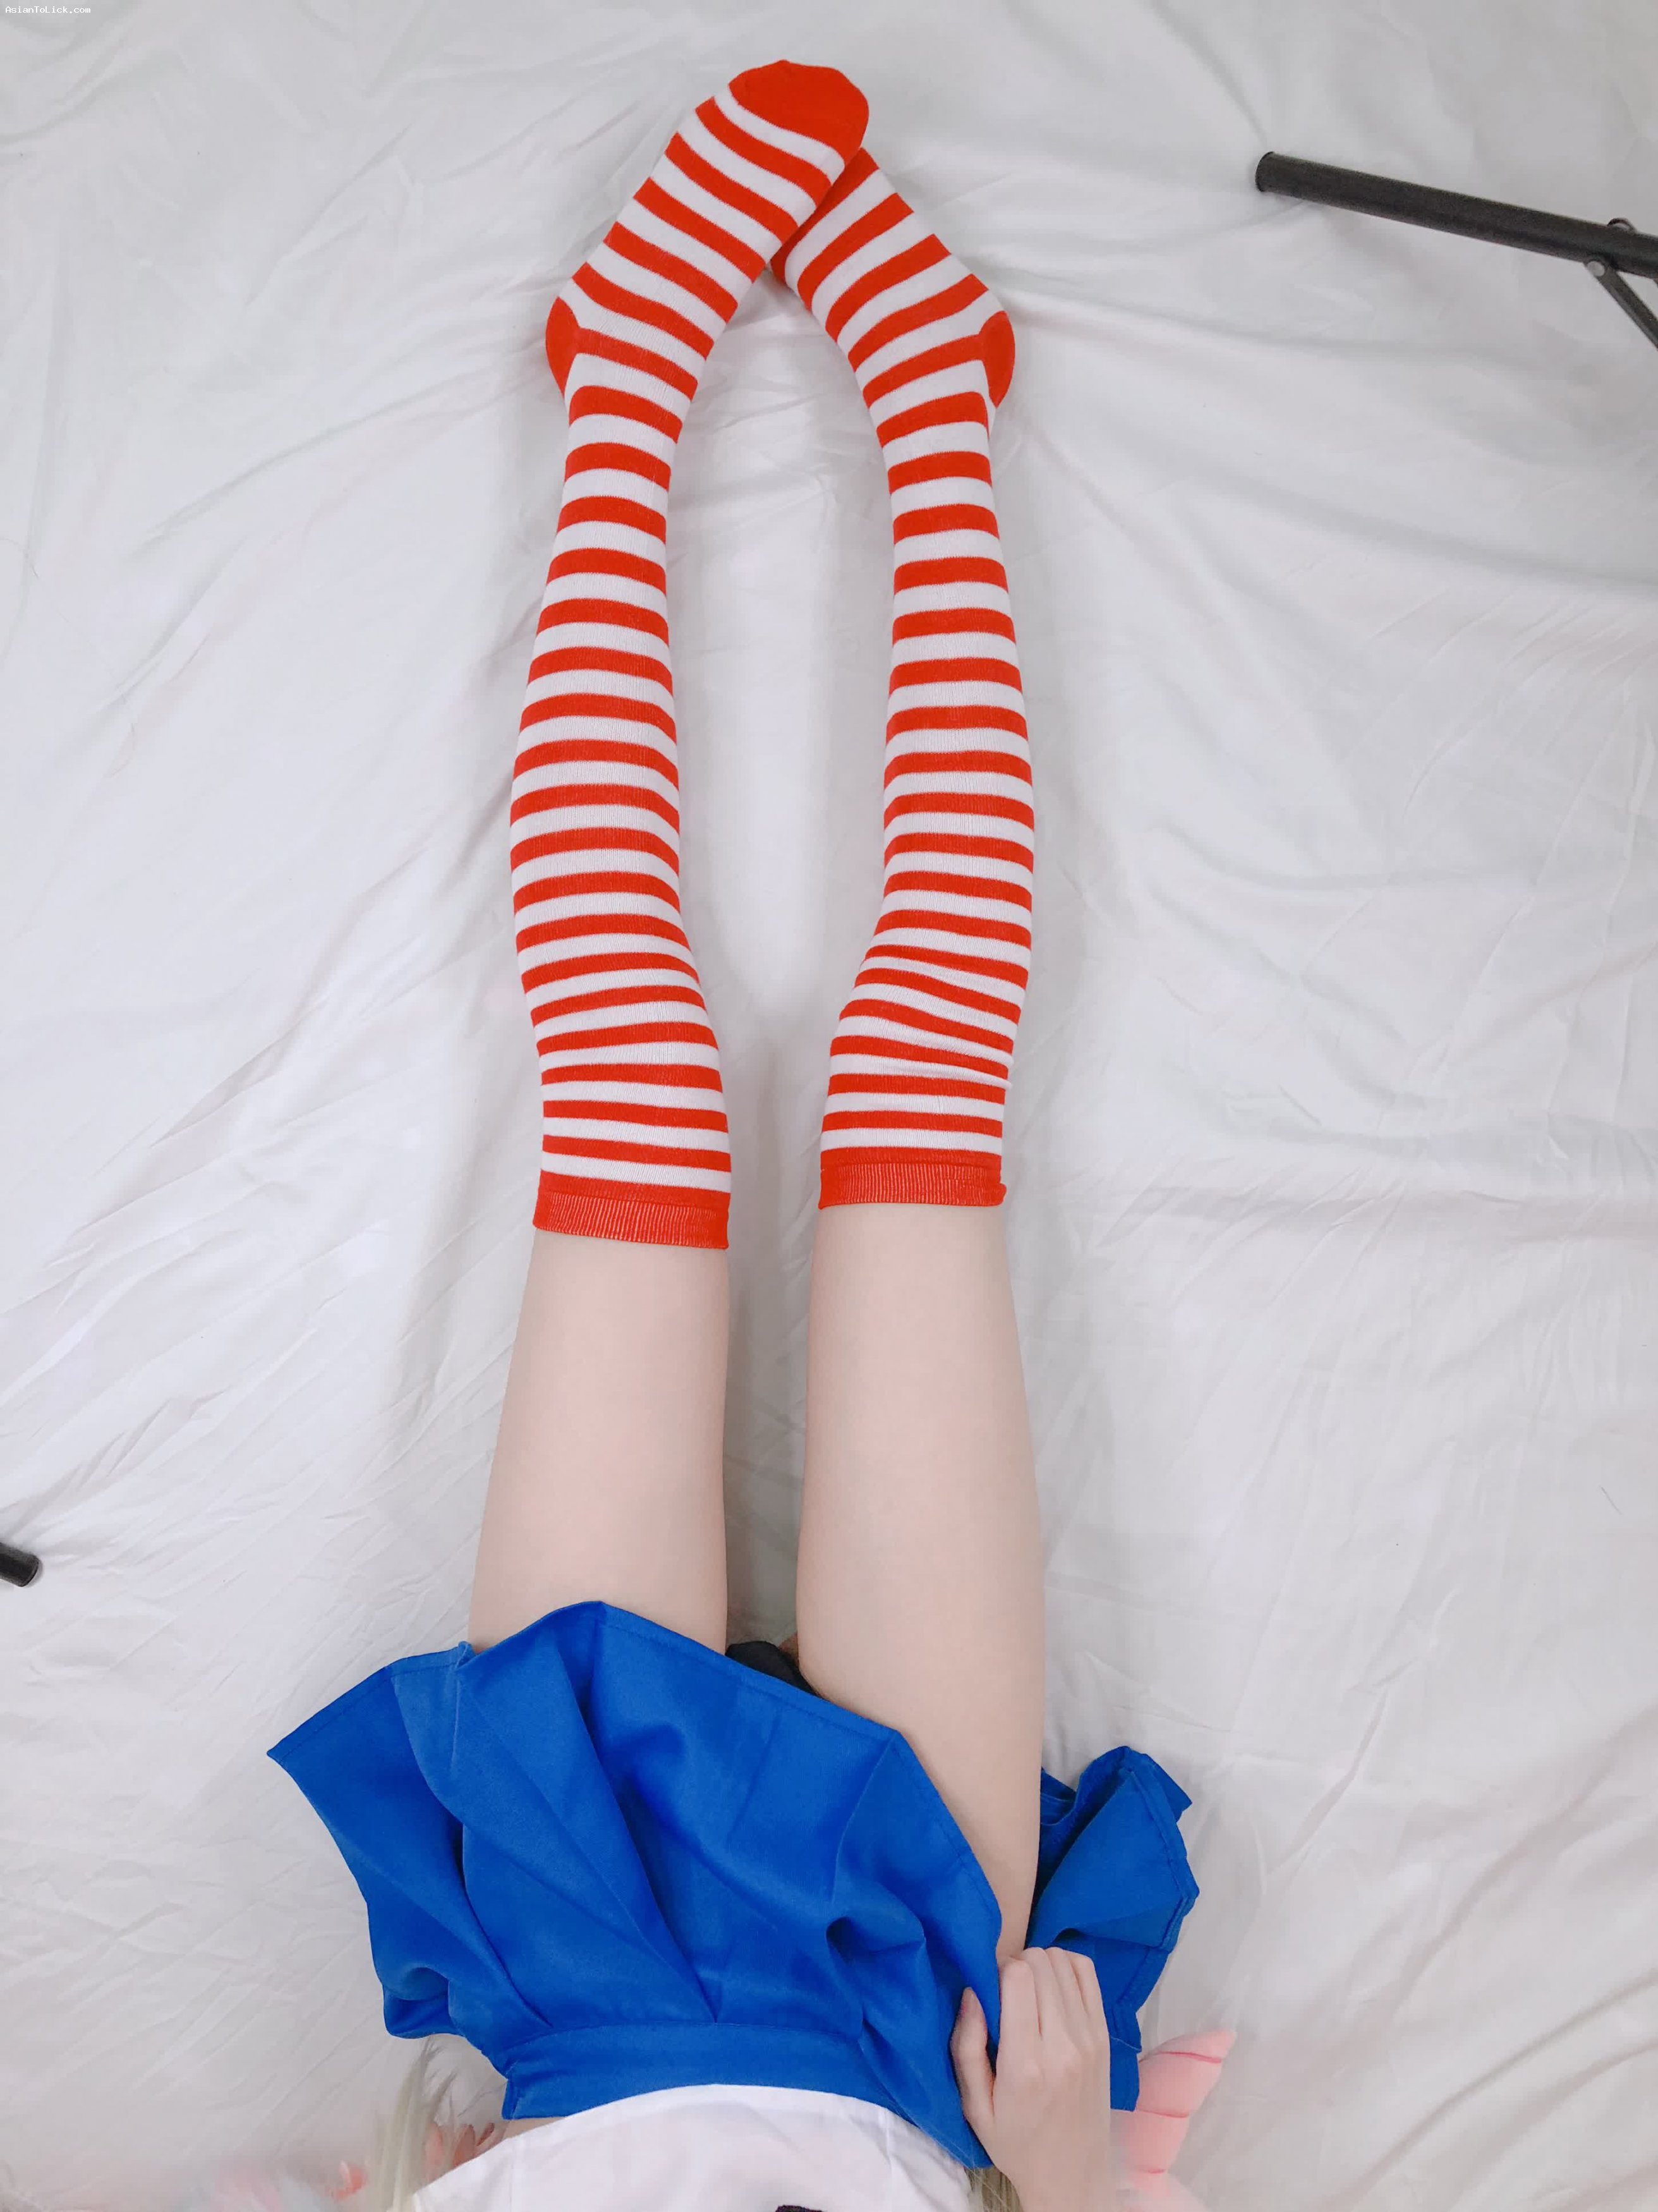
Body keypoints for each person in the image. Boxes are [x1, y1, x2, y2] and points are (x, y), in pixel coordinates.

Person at [269, 61, 1222, 2212]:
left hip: (586, 1969)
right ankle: (934, 411)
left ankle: (626, 381)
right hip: (912, 2016)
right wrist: (1067, 2182)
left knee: (635, 1085)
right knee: (921, 1085)